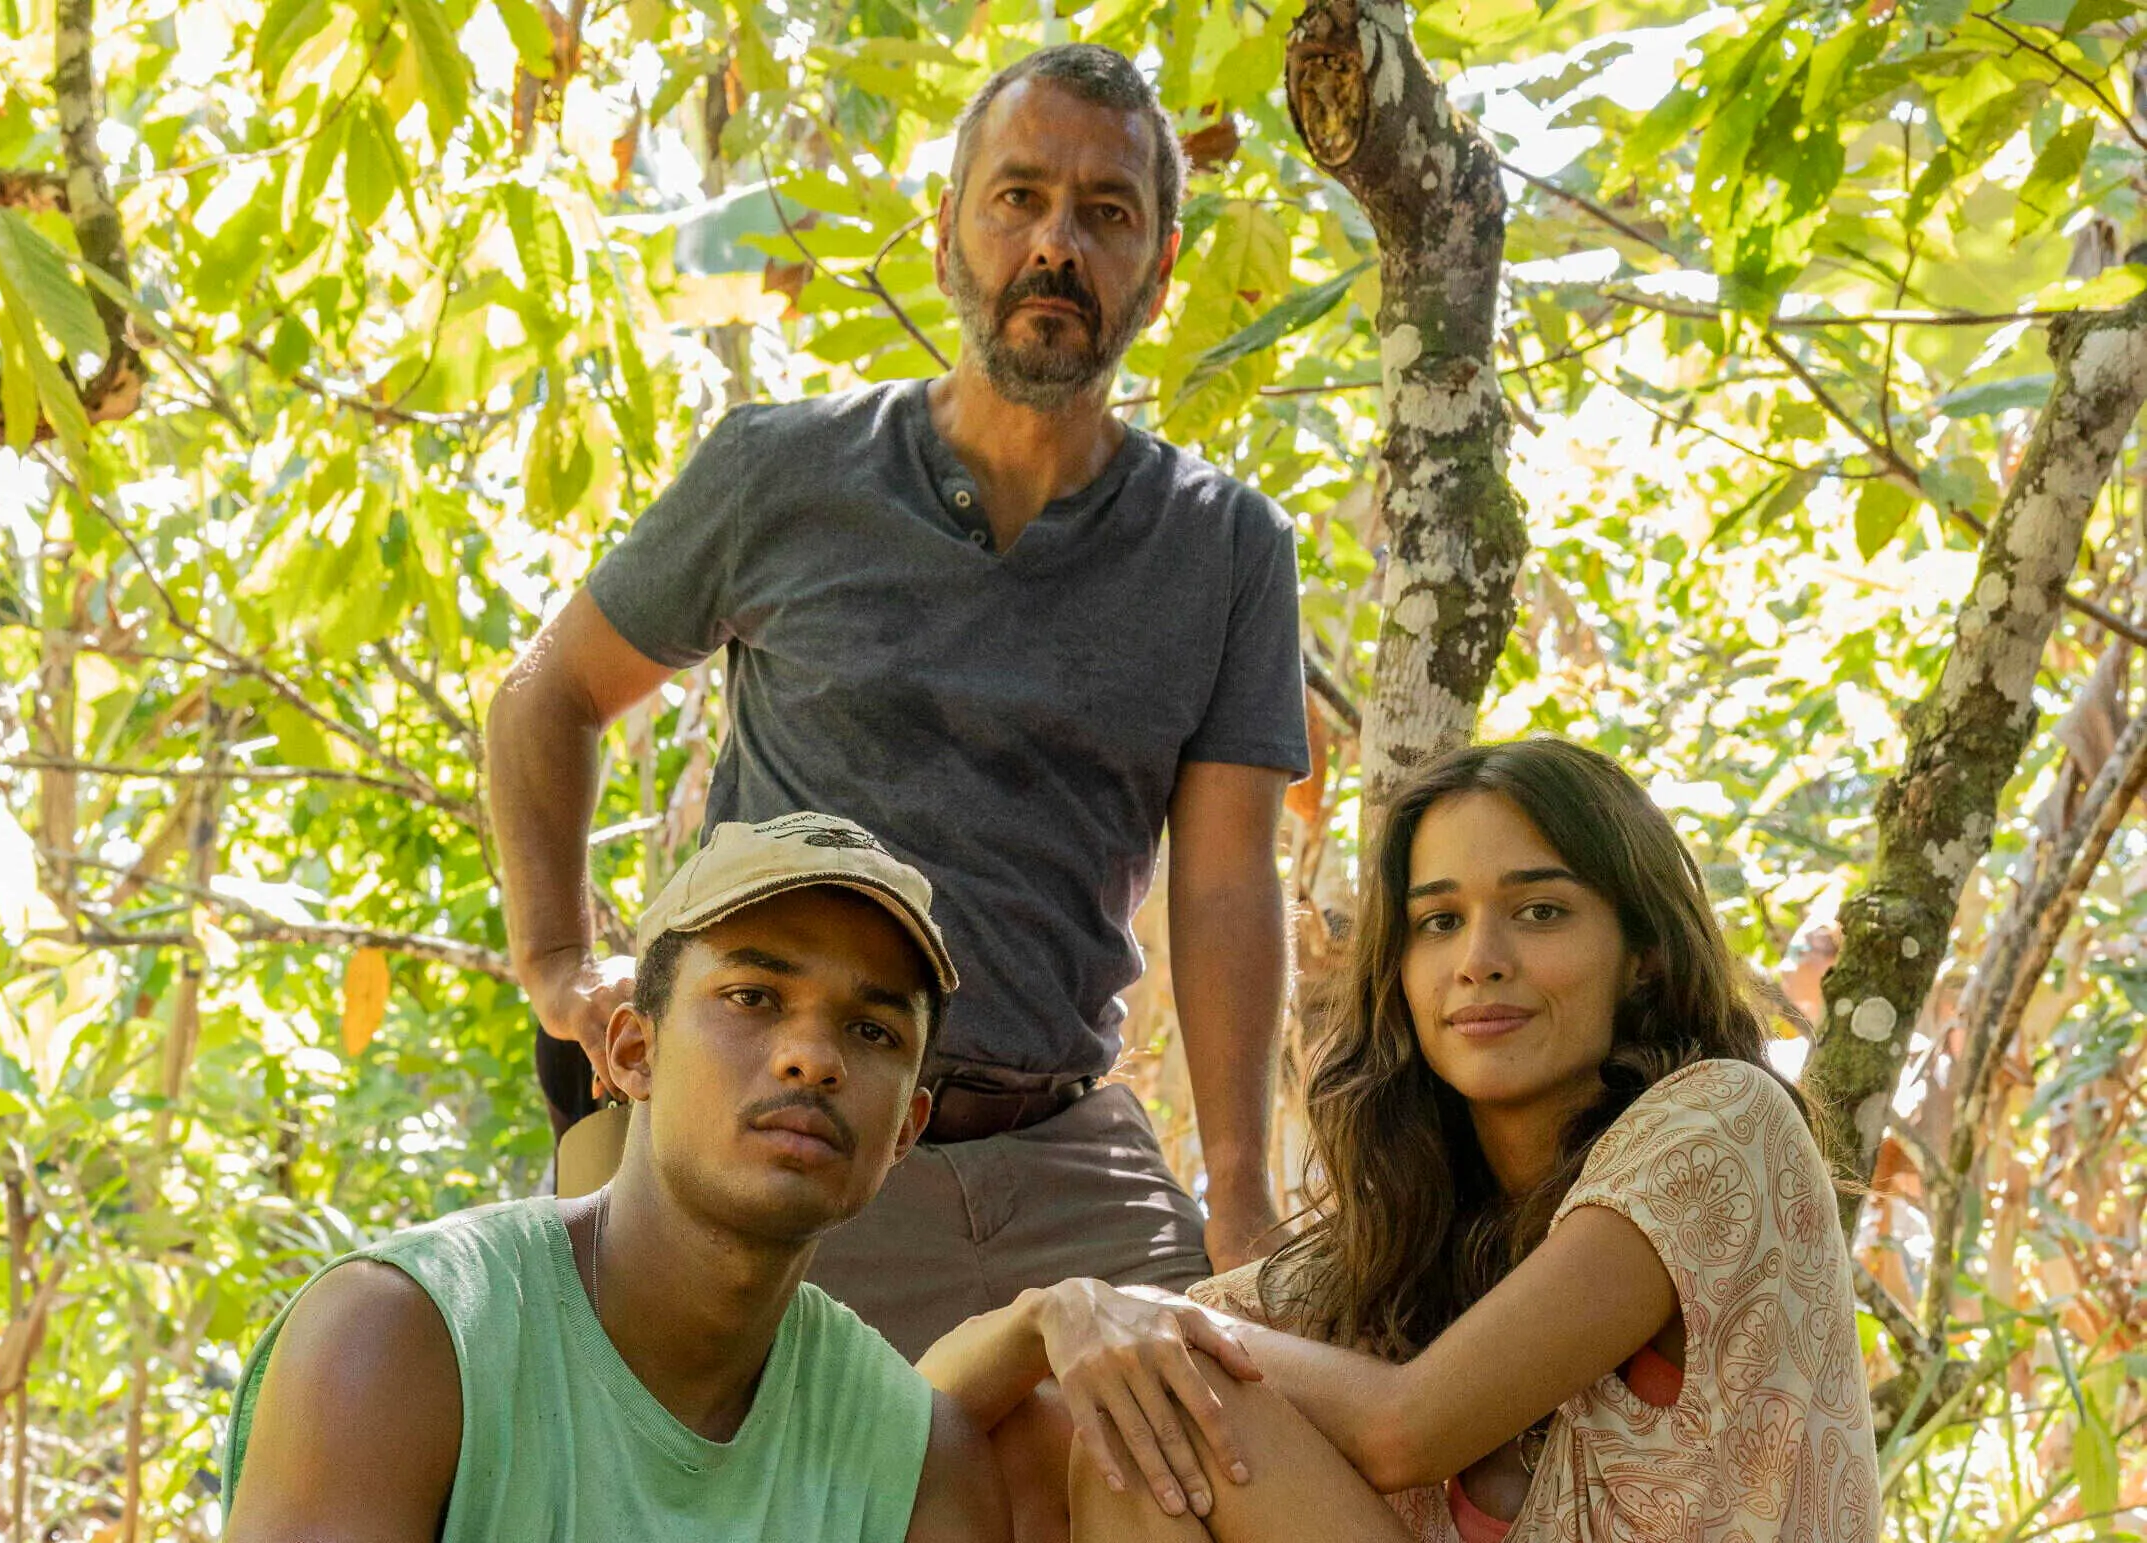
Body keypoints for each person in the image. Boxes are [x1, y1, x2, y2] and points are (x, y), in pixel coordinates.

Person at [487, 42, 1310, 1358]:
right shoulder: (782, 471)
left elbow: (1222, 889)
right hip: (782, 1115)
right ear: (946, 236)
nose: (1055, 244)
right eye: (1016, 198)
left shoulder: (1221, 548)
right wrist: (556, 962)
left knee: (1211, 1427)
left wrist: (1247, 1200)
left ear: (1156, 271)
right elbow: (547, 693)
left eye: (1104, 213)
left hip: (1058, 1146)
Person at [918, 738, 1882, 1542]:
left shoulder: (1721, 1124)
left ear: (1644, 954)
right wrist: (1056, 1312)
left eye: (1539, 911)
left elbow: (1402, 1431)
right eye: (1438, 921)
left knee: (1174, 1391)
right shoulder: (1393, 1257)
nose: (1479, 961)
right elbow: (929, 1417)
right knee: (1092, 1411)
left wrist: (1129, 1311)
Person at [222, 813, 1007, 1543]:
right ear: (632, 1052)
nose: (812, 1057)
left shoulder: (918, 1460)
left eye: (871, 1030)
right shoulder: (403, 1335)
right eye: (752, 996)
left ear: (905, 1128)